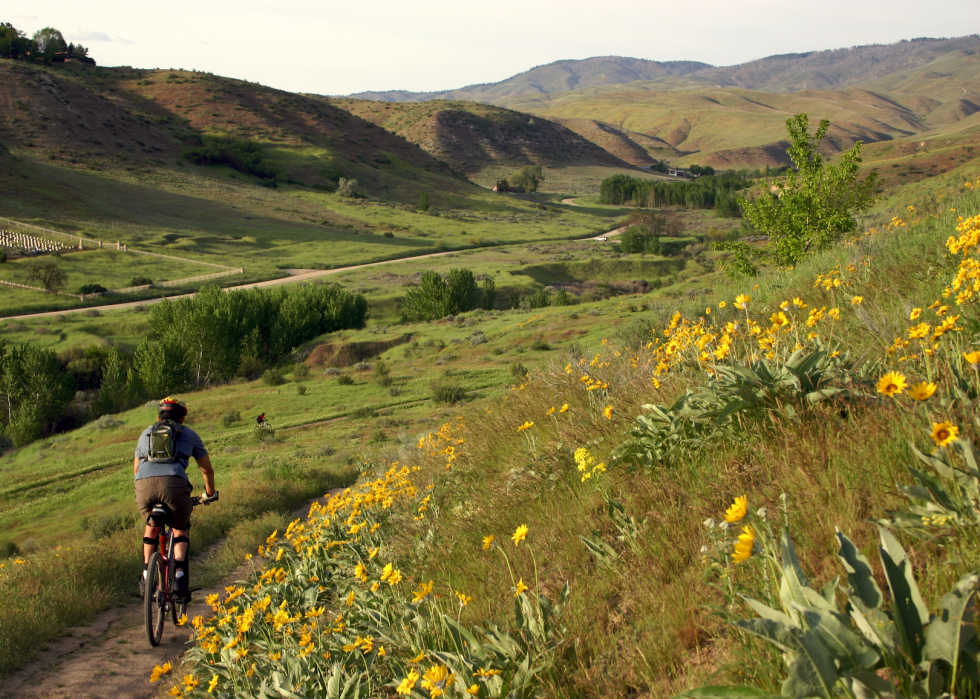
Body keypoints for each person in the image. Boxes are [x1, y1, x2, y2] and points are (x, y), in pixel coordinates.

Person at [134, 397, 217, 602]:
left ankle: (146, 575)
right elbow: (206, 469)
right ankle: (179, 576)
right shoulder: (189, 434)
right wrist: (210, 493)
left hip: (144, 487)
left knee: (151, 524)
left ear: (158, 417)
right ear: (182, 419)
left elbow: (136, 469)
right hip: (174, 484)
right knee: (180, 526)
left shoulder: (145, 433)